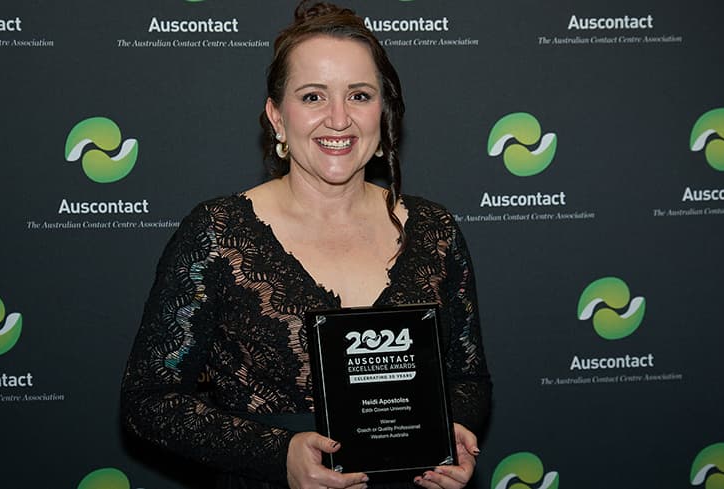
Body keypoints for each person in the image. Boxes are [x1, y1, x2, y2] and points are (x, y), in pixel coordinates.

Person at [120, 2, 491, 488]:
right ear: (276, 116)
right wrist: (278, 454)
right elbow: (150, 400)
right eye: (313, 97)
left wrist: (453, 432)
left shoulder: (435, 229)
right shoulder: (217, 231)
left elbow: (468, 380)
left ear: (384, 112)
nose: (338, 119)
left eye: (359, 95)